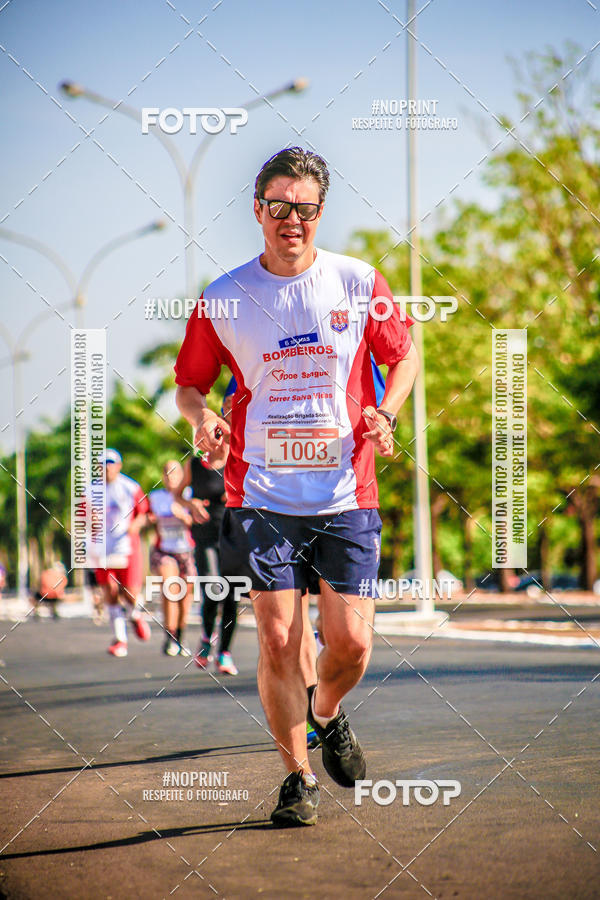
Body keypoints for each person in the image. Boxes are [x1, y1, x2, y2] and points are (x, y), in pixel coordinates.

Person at [174, 147, 418, 826]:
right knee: (280, 638)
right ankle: (297, 778)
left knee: (352, 645)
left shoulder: (358, 281)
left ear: (320, 211)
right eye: (279, 205)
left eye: (304, 207)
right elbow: (190, 385)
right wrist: (203, 421)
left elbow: (403, 357)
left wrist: (386, 412)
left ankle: (326, 711)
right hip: (260, 491)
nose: (292, 219)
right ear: (258, 209)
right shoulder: (225, 295)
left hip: (345, 492)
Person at [173, 384, 240, 675]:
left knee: (232, 594)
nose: (219, 438)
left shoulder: (238, 460)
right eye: (216, 433)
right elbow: (177, 494)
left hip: (234, 533)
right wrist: (191, 504)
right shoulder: (196, 464)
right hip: (206, 535)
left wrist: (235, 493)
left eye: (223, 433)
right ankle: (205, 640)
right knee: (213, 588)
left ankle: (224, 652)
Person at [94, 449, 151, 657]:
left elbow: (145, 514)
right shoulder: (91, 491)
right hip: (103, 548)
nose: (107, 467)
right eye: (103, 464)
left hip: (127, 547)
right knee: (109, 590)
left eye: (111, 463)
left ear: (119, 466)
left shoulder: (130, 487)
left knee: (130, 593)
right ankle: (120, 639)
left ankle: (135, 615)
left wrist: (136, 524)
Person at [148, 460, 198, 656]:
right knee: (170, 589)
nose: (171, 477)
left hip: (187, 551)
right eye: (167, 473)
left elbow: (201, 522)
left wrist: (185, 517)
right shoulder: (155, 497)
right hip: (164, 551)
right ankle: (170, 636)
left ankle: (181, 636)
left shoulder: (190, 495)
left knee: (185, 597)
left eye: (175, 473)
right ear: (163, 476)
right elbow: (146, 517)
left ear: (182, 476)